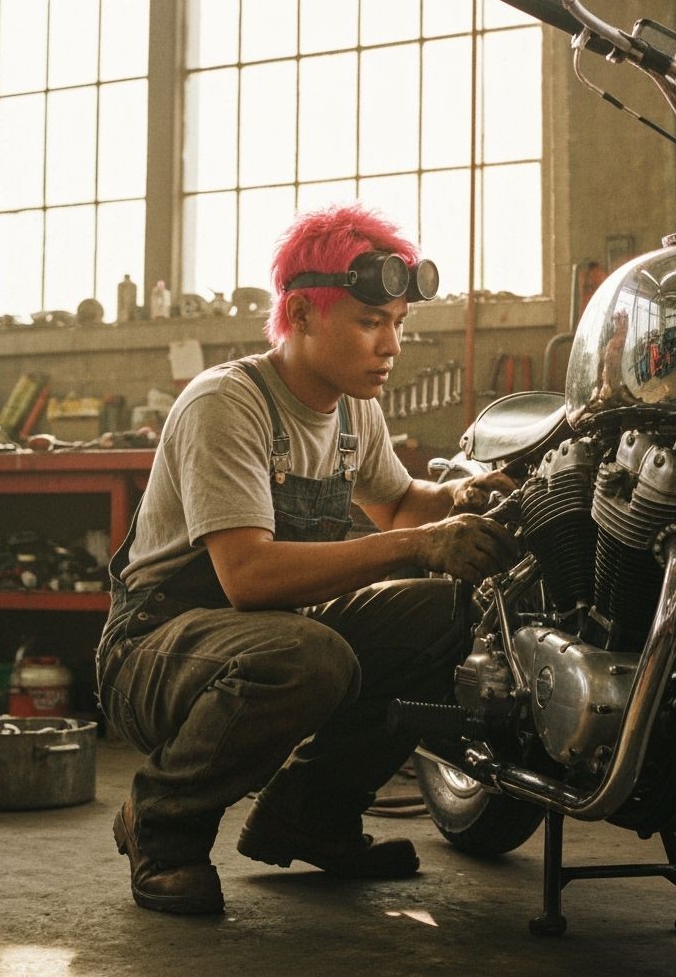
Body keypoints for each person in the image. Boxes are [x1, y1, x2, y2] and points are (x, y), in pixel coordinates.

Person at [95, 204, 518, 915]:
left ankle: (312, 813)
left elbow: (399, 505)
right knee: (309, 655)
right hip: (157, 647)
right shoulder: (228, 402)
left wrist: (458, 497)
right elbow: (249, 577)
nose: (391, 346)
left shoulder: (355, 409)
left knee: (452, 616)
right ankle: (162, 825)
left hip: (275, 633)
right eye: (368, 322)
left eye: (399, 326)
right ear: (300, 313)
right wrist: (419, 544)